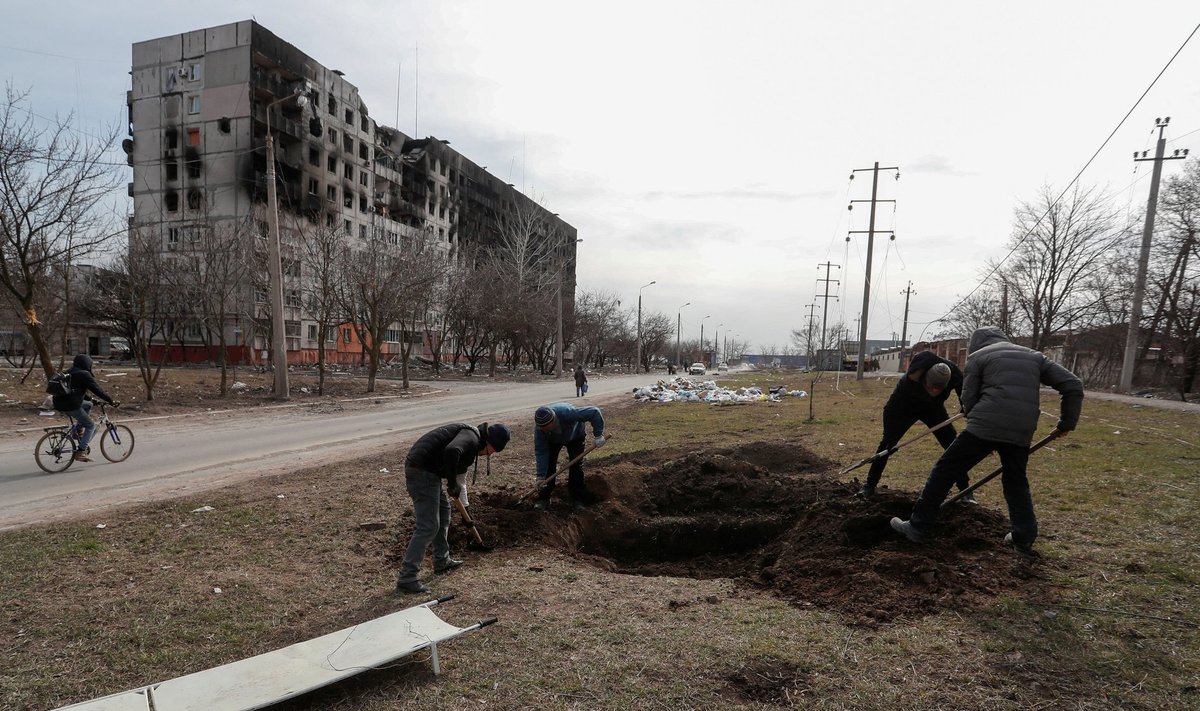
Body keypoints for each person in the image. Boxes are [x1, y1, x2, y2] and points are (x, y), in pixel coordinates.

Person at [890, 327, 1083, 555]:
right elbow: (1073, 384)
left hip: (986, 424)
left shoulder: (978, 357)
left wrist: (981, 431)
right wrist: (1066, 423)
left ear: (975, 344)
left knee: (945, 469)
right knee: (1015, 481)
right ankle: (1023, 538)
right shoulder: (1034, 356)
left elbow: (968, 399)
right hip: (1022, 428)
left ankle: (917, 526)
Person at [395, 421, 511, 594]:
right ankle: (407, 577)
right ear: (490, 443)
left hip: (428, 473)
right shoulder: (471, 437)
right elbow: (452, 451)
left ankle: (442, 561)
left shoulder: (469, 448)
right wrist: (450, 482)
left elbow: (460, 484)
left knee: (444, 511)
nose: (489, 455)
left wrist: (467, 515)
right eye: (492, 452)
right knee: (428, 526)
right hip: (421, 471)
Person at [858, 353, 971, 501]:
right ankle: (869, 486)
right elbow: (892, 410)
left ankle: (966, 491)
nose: (935, 391)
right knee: (887, 445)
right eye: (931, 387)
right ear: (924, 378)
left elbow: (964, 392)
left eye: (939, 389)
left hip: (933, 409)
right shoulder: (914, 373)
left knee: (952, 445)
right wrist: (891, 434)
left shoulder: (954, 375)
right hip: (903, 407)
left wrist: (966, 406)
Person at [533, 403, 605, 512]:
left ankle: (577, 499)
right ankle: (544, 498)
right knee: (549, 465)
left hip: (575, 436)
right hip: (553, 441)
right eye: (541, 428)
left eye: (545, 428)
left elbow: (594, 412)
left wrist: (598, 435)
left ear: (552, 422)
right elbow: (541, 452)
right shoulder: (540, 430)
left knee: (576, 466)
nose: (542, 430)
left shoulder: (567, 413)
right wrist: (540, 476)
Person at [51, 354, 119, 462]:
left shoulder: (69, 372)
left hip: (59, 403)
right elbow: (97, 390)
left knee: (88, 404)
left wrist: (92, 400)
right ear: (87, 364)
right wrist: (110, 400)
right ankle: (81, 452)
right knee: (91, 425)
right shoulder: (84, 374)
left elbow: (77, 390)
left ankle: (77, 430)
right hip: (71, 405)